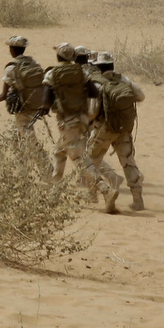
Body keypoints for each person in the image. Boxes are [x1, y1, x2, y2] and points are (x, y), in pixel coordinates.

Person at [45, 42, 119, 213]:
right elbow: (94, 92)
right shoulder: (82, 73)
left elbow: (46, 95)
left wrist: (47, 106)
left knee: (78, 158)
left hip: (67, 121)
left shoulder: (52, 73)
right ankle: (54, 192)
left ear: (58, 57)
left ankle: (105, 190)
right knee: (59, 151)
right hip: (83, 119)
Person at [85, 51, 145, 211]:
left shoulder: (96, 82)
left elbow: (91, 111)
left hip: (103, 129)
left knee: (90, 161)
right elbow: (141, 96)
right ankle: (138, 200)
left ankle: (97, 193)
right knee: (128, 162)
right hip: (123, 129)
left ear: (97, 66)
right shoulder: (123, 80)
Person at [0, 35, 46, 136]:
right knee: (13, 133)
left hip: (23, 106)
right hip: (38, 104)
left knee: (27, 134)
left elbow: (3, 95)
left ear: (12, 50)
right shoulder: (34, 63)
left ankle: (38, 152)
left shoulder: (11, 67)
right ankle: (16, 151)